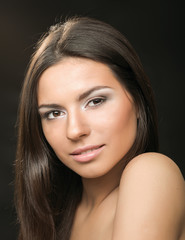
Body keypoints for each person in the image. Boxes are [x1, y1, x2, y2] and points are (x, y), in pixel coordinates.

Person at [15, 17, 185, 240]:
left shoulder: (150, 173)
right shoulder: (57, 211)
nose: (74, 131)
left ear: (137, 100)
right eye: (54, 113)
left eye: (95, 101)